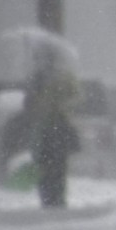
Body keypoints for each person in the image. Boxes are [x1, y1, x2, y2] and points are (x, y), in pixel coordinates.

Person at [27, 65, 81, 209]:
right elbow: (75, 98)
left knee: (49, 166)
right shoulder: (63, 79)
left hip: (49, 131)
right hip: (54, 131)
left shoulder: (43, 82)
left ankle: (51, 197)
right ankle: (54, 197)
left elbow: (31, 104)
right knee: (56, 166)